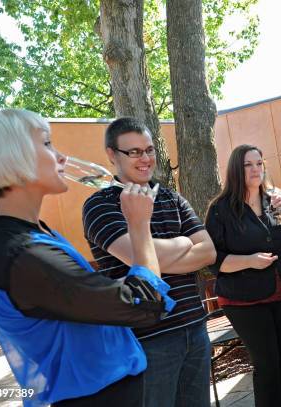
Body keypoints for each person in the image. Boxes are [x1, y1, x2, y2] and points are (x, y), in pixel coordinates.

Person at [0, 109, 173, 406]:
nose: (61, 157)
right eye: (47, 144)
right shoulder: (24, 255)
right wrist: (139, 226)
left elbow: (91, 297)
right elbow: (147, 304)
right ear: (11, 157)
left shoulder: (35, 237)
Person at [82, 117, 216, 407]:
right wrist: (183, 243)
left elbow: (208, 252)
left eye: (149, 149)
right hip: (147, 341)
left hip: (195, 328)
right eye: (134, 152)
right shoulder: (100, 205)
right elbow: (135, 256)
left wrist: (150, 254)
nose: (145, 158)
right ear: (111, 155)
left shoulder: (172, 198)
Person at [204, 144, 281, 407]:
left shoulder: (275, 199)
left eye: (259, 163)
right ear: (235, 170)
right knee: (267, 364)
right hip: (244, 299)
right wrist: (248, 261)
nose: (256, 169)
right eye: (248, 164)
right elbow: (211, 260)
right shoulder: (220, 210)